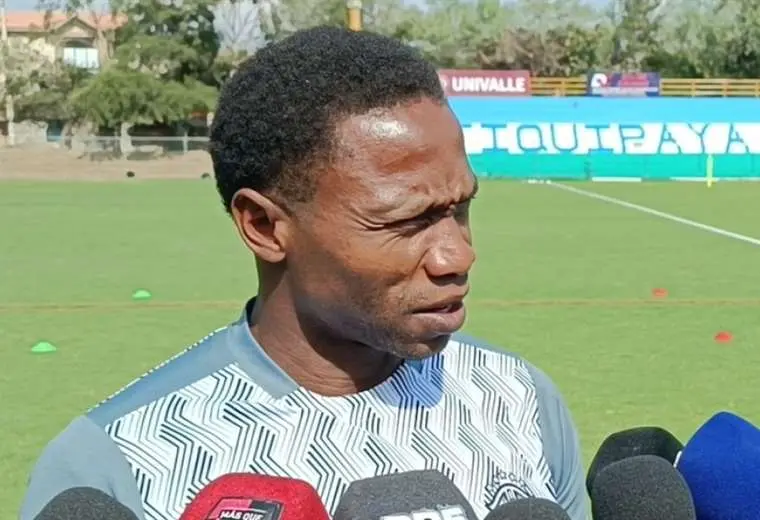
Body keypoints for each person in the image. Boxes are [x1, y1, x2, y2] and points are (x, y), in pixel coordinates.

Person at [20, 26, 588, 520]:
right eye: (406, 221)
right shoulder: (120, 459)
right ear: (265, 227)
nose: (456, 256)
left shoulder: (518, 399)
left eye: (460, 208)